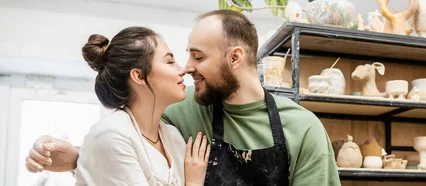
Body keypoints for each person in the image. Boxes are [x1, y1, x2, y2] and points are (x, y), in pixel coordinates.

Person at [25, 10, 341, 186]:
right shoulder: (181, 110)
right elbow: (125, 148)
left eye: (197, 57)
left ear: (234, 57)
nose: (187, 69)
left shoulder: (303, 129)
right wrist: (78, 156)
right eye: (177, 57)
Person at [31, 26, 211, 185]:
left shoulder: (173, 138)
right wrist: (194, 182)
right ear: (139, 76)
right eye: (170, 62)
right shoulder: (111, 134)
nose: (183, 70)